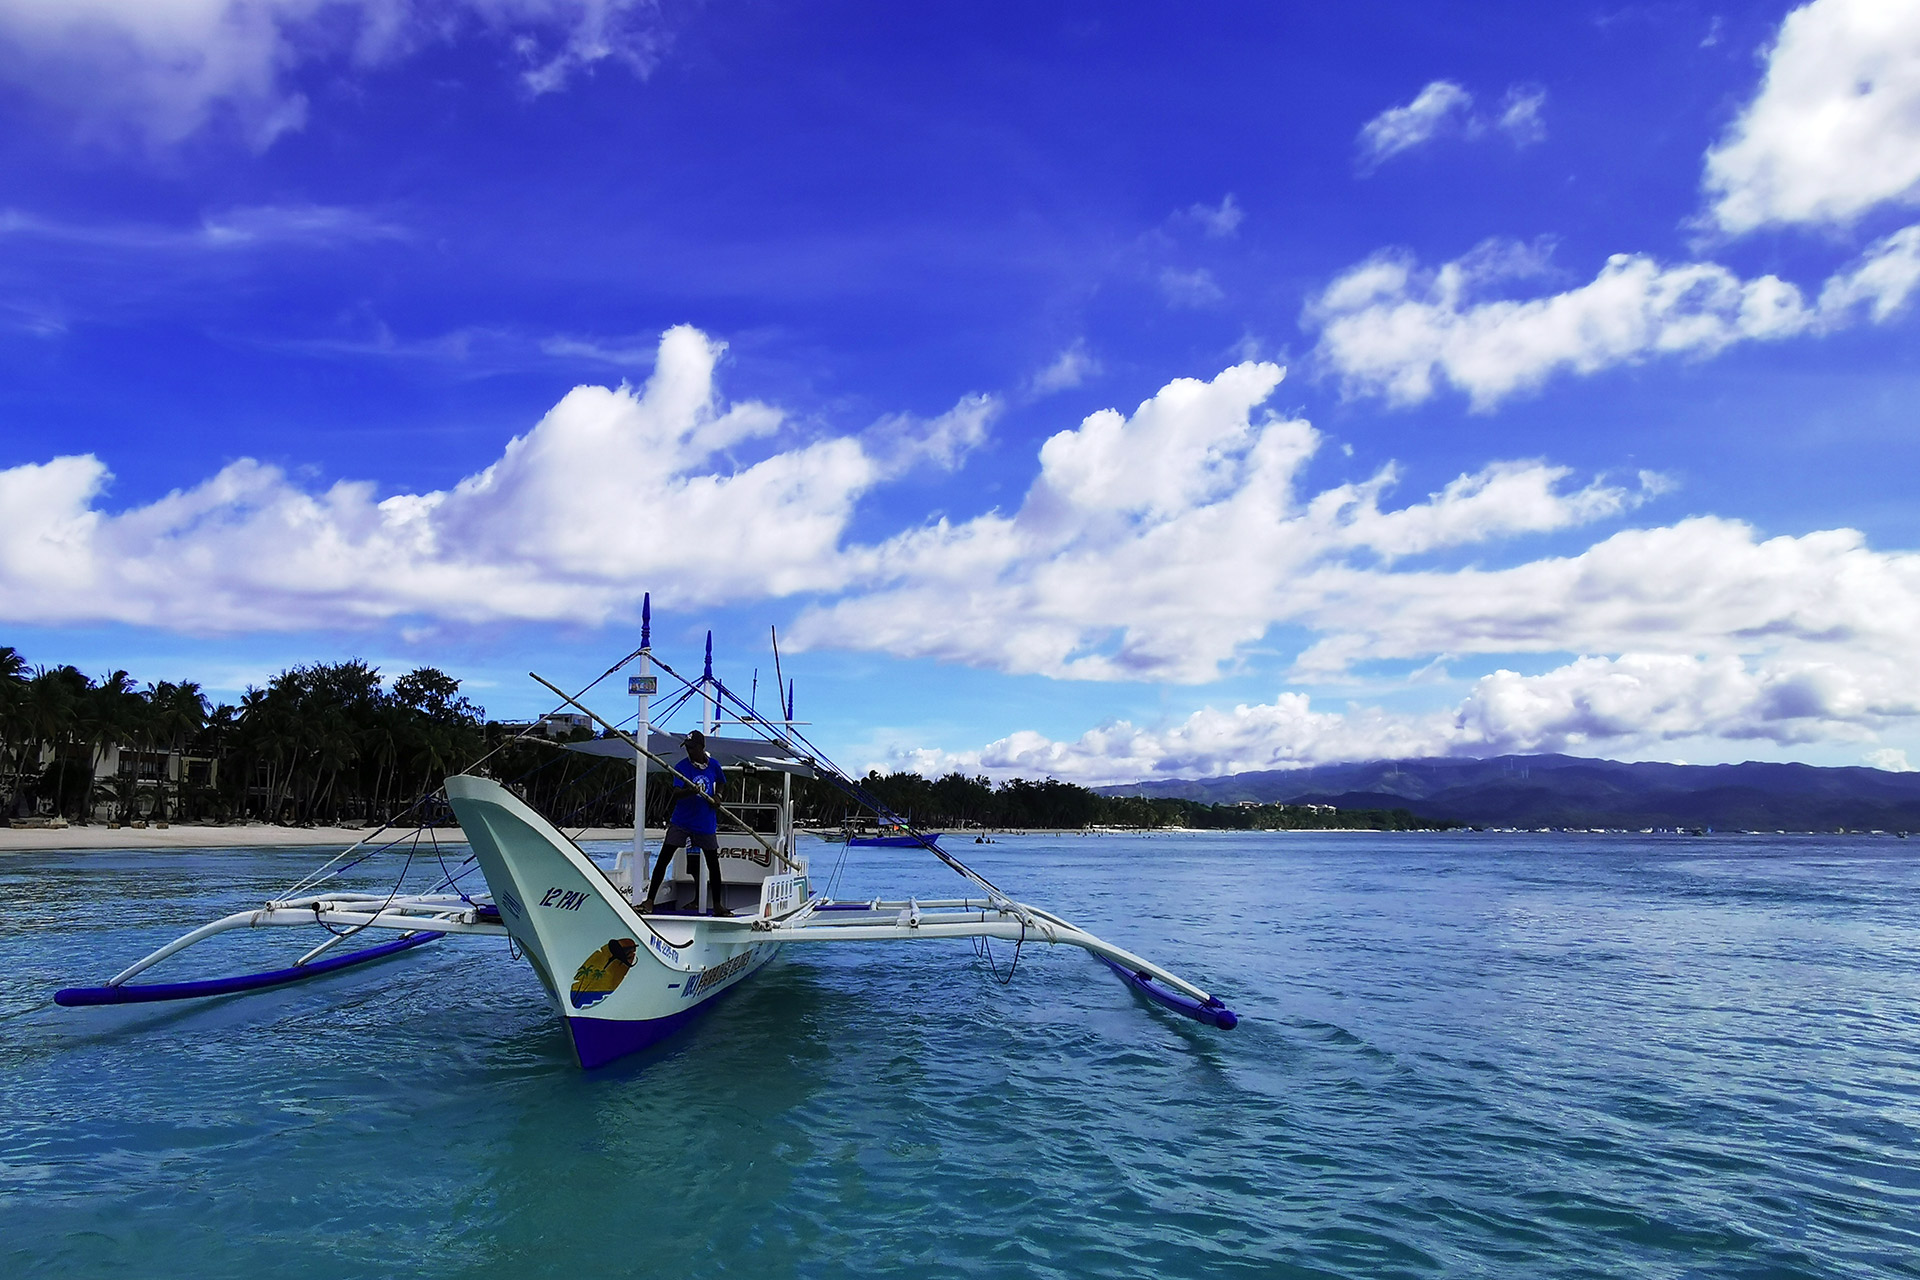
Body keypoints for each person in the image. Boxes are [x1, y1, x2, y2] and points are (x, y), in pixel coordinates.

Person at [642, 731, 730, 915]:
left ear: (701, 747)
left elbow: (721, 783)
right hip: (681, 822)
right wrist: (690, 791)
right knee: (664, 859)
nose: (689, 751)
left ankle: (718, 905)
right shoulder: (681, 767)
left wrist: (718, 796)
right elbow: (676, 793)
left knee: (713, 864)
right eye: (687, 748)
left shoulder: (714, 766)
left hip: (705, 822)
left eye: (692, 748)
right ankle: (649, 901)